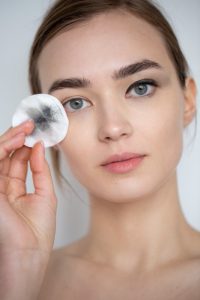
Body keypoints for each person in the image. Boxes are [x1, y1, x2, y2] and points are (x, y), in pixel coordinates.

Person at [0, 0, 199, 299]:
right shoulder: (18, 281)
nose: (113, 128)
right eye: (75, 103)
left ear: (187, 100)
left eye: (140, 86)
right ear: (42, 126)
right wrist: (20, 267)